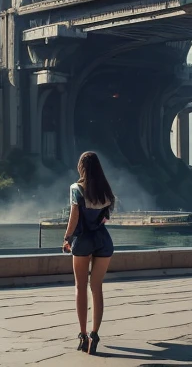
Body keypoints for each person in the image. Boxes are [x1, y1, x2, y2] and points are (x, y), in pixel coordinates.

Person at [62, 151, 116, 355]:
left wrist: (67, 238)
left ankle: (83, 335)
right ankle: (95, 334)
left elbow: (74, 217)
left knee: (80, 286)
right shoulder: (106, 191)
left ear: (81, 167)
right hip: (103, 241)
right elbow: (104, 219)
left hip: (83, 240)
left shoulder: (76, 189)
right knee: (97, 287)